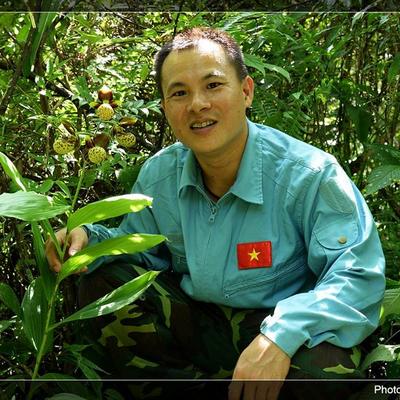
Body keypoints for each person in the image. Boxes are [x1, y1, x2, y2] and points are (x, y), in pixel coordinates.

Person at [46, 27, 386, 400]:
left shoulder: (309, 175)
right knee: (103, 277)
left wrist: (281, 336)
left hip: (281, 323)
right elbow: (141, 253)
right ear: (166, 109)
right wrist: (89, 242)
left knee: (324, 370)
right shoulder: (159, 175)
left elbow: (357, 275)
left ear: (246, 92)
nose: (197, 105)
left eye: (212, 85)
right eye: (179, 93)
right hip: (198, 323)